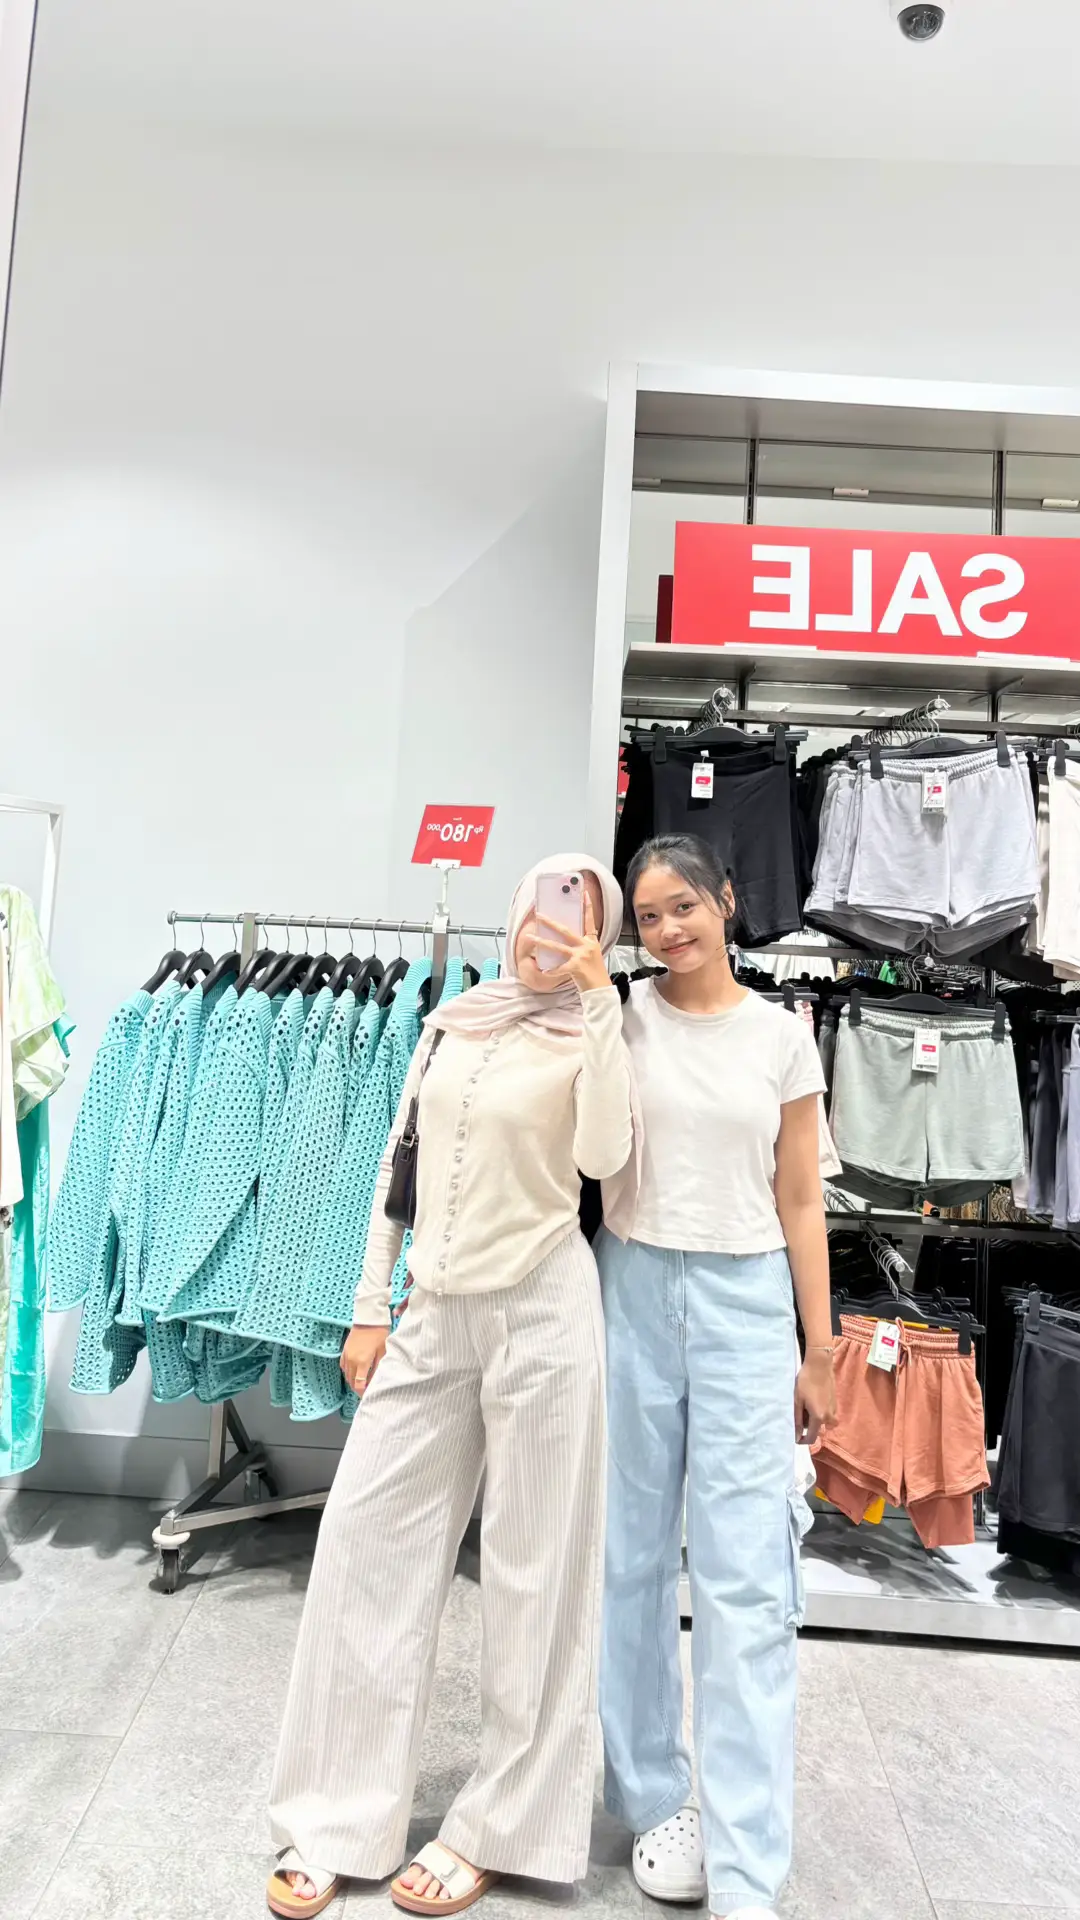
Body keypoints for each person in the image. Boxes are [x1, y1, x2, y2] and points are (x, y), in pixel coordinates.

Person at [266, 854, 635, 1920]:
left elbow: (605, 1157)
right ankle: (335, 1818)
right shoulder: (451, 1022)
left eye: (579, 913)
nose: (552, 927)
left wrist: (600, 1006)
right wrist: (369, 1303)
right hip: (432, 1307)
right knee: (366, 1549)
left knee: (536, 1572)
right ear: (514, 912)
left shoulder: (595, 1030)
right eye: (543, 904)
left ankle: (500, 1827)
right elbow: (401, 1166)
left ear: (601, 932)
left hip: (545, 1308)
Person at [598, 833, 836, 1920]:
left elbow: (802, 1199)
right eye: (648, 916)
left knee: (747, 1581)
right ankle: (653, 1800)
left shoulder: (783, 1037)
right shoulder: (618, 1017)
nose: (668, 930)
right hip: (632, 1287)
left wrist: (819, 1348)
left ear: (728, 900)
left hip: (746, 1306)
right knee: (630, 1560)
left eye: (683, 906)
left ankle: (746, 1865)